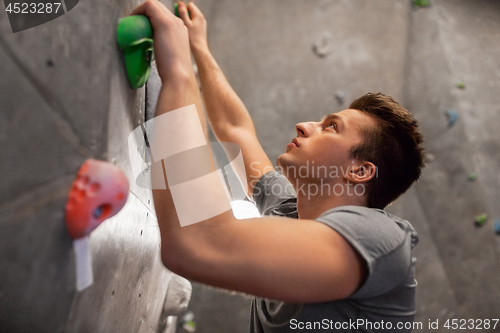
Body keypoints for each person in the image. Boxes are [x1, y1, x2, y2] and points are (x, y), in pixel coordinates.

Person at [130, 1, 425, 332]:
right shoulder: (291, 210)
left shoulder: (382, 240)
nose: (303, 125)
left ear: (360, 171)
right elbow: (234, 128)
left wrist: (179, 72)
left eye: (331, 126)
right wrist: (197, 46)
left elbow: (198, 243)